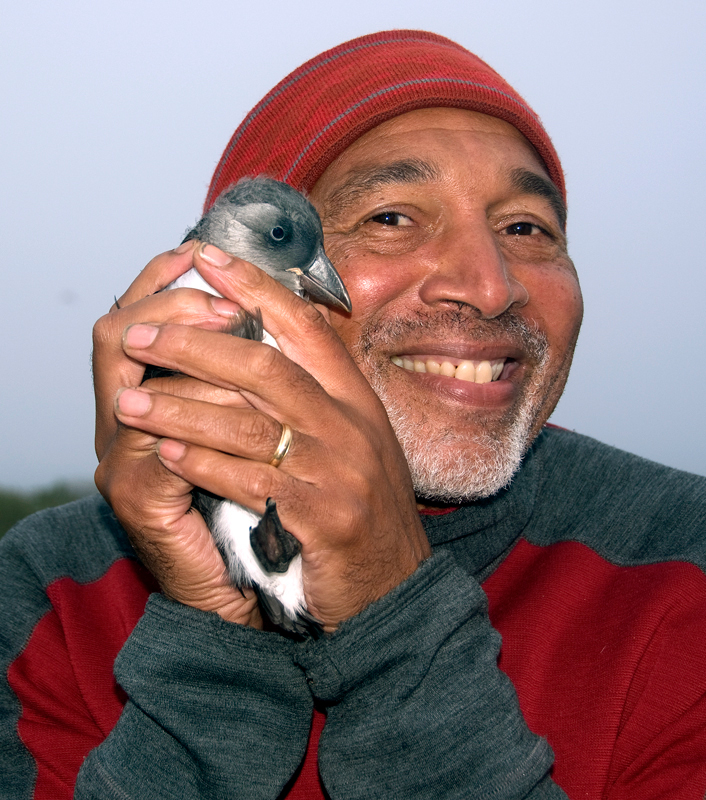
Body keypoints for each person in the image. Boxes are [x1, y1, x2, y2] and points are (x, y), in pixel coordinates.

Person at [2, 29, 705, 800]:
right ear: (230, 283)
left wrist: (390, 618)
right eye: (392, 218)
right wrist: (217, 628)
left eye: (526, 228)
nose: (488, 284)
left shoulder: (686, 561)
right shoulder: (49, 593)